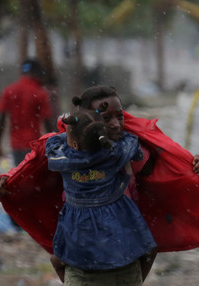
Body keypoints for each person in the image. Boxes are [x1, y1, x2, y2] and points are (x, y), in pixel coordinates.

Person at [0, 85, 199, 274]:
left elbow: (167, 170)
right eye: (107, 118)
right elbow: (32, 165)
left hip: (121, 230)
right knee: (62, 258)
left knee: (147, 250)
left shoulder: (132, 148)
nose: (116, 124)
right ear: (87, 118)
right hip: (84, 228)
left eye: (120, 116)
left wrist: (194, 169)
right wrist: (9, 179)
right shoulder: (66, 146)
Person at [47, 110, 155, 285]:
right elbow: (132, 143)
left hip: (79, 233)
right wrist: (110, 137)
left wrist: (67, 126)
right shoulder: (114, 156)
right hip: (119, 228)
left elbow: (51, 142)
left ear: (74, 144)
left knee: (58, 259)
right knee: (148, 248)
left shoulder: (63, 159)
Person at [0, 58, 54, 165]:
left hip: (16, 144)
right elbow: (47, 121)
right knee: (34, 177)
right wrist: (53, 144)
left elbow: (1, 118)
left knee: (20, 175)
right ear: (37, 72)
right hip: (34, 143)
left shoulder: (9, 90)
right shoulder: (40, 93)